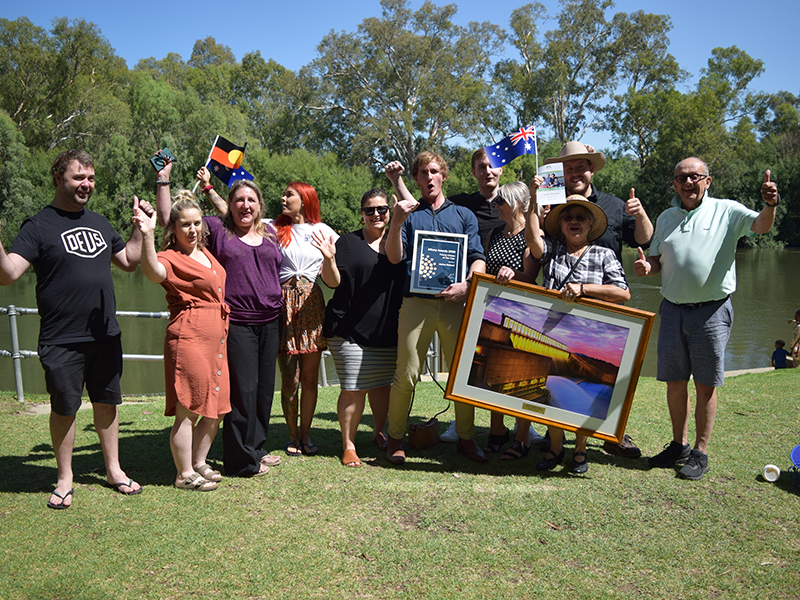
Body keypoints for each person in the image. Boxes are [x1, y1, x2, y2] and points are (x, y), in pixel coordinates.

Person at [0, 150, 144, 509]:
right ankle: (65, 476)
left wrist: (139, 229)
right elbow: (8, 275)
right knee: (64, 407)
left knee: (106, 402)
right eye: (79, 177)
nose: (87, 184)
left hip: (104, 333)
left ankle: (114, 469)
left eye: (91, 178)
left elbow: (128, 261)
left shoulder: (98, 222)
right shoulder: (37, 226)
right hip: (61, 337)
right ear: (58, 178)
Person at [634, 158, 778, 480]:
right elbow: (657, 259)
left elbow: (761, 226)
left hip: (711, 311)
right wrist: (648, 268)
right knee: (674, 382)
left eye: (694, 177)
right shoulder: (666, 217)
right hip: (671, 309)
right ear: (674, 184)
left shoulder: (727, 211)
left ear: (707, 181)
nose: (688, 183)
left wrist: (770, 204)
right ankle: (678, 444)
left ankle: (700, 452)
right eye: (681, 178)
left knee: (705, 385)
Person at [157, 162, 283, 478]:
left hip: (271, 320)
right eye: (239, 200)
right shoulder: (218, 230)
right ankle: (240, 461)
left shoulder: (269, 232)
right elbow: (173, 220)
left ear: (260, 206)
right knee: (242, 392)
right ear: (230, 205)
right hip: (237, 322)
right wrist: (167, 182)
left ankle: (256, 447)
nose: (245, 205)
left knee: (264, 391)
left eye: (251, 200)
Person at [542, 141, 653, 458]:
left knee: (606, 376)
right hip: (559, 311)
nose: (575, 172)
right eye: (569, 167)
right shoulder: (551, 204)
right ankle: (555, 440)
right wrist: (536, 211)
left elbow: (644, 238)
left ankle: (613, 434)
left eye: (581, 166)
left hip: (604, 308)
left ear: (592, 169)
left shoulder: (616, 205)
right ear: (561, 171)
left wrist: (641, 213)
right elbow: (538, 249)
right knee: (561, 374)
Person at [384, 152, 488, 465]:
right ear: (415, 179)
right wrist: (397, 220)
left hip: (455, 304)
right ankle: (395, 439)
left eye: (434, 171)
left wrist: (468, 285)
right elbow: (392, 257)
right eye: (422, 173)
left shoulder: (464, 214)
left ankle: (466, 439)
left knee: (461, 374)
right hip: (416, 304)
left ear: (443, 176)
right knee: (406, 374)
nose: (429, 177)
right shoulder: (408, 213)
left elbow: (477, 257)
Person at [526, 189, 631, 474]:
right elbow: (533, 239)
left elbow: (623, 293)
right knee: (551, 391)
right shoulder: (553, 249)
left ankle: (580, 450)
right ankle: (555, 448)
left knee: (581, 394)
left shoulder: (604, 254)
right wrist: (535, 198)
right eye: (568, 217)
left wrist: (584, 290)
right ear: (560, 224)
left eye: (581, 217)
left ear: (589, 225)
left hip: (586, 337)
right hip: (550, 335)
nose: (574, 221)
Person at [134, 193, 231, 491]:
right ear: (173, 229)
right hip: (189, 337)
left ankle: (199, 461)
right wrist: (146, 235)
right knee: (188, 409)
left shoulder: (205, 253)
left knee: (218, 407)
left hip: (217, 339)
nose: (192, 230)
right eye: (185, 225)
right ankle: (183, 473)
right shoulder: (170, 257)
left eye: (197, 223)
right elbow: (152, 272)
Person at [324, 189, 405, 466]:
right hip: (348, 328)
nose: (376, 215)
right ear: (362, 213)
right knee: (354, 387)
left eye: (382, 209)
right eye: (369, 210)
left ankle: (379, 433)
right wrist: (328, 259)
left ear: (389, 211)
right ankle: (348, 444)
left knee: (382, 386)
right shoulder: (347, 242)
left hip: (385, 329)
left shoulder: (399, 240)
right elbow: (331, 282)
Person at [271, 182, 340, 457]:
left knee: (310, 378)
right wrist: (209, 190)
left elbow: (334, 279)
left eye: (289, 194)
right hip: (283, 305)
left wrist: (330, 257)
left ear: (305, 199)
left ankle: (306, 434)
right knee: (290, 378)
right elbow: (234, 214)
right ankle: (291, 434)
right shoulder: (273, 229)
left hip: (311, 304)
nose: (283, 198)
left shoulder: (324, 232)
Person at [481, 181, 542, 460]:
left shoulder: (531, 235)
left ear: (517, 204)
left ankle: (522, 437)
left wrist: (513, 274)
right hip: (491, 311)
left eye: (500, 202)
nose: (495, 206)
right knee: (492, 371)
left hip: (521, 314)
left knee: (519, 375)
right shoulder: (494, 233)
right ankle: (497, 430)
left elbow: (530, 276)